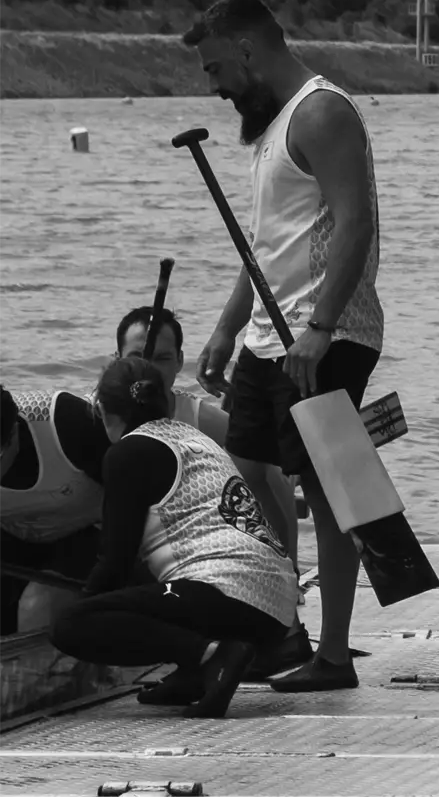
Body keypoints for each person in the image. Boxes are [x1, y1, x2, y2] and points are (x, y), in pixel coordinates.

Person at [185, 0, 383, 694]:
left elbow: (354, 225)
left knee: (331, 496)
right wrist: (227, 325)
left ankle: (332, 655)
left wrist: (322, 328)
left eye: (215, 69)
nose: (213, 87)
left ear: (247, 49)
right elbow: (267, 244)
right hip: (270, 338)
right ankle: (286, 625)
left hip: (325, 337)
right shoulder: (272, 129)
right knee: (245, 466)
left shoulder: (322, 112)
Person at [50, 357, 297, 719]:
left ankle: (215, 655)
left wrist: (87, 611)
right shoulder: (194, 437)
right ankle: (195, 671)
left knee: (69, 625)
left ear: (103, 410)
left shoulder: (126, 453)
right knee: (155, 584)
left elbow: (114, 563)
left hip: (226, 592)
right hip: (277, 609)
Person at [117, 305, 312, 675]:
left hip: (202, 566)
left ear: (179, 363)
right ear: (116, 361)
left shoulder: (205, 421)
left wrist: (290, 568)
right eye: (136, 358)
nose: (147, 371)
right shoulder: (102, 415)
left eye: (160, 359)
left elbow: (274, 483)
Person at [0, 383, 107, 635]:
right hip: (11, 536)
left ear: (14, 434)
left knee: (35, 608)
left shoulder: (72, 422)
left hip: (86, 534)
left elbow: (140, 496)